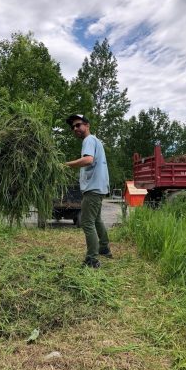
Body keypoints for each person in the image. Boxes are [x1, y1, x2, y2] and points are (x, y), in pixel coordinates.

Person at [65, 114, 112, 268]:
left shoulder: (89, 140)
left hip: (93, 189)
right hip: (98, 187)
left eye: (78, 125)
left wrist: (66, 165)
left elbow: (88, 160)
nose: (75, 129)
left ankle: (92, 259)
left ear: (87, 125)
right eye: (73, 127)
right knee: (96, 220)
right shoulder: (95, 141)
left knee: (87, 222)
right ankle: (104, 248)